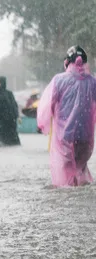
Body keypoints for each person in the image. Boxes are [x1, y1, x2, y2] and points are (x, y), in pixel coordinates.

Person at [37, 45, 96, 187]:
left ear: (67, 62)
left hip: (66, 136)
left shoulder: (59, 80)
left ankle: (69, 200)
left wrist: (42, 125)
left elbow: (46, 105)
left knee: (66, 174)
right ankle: (81, 197)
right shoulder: (93, 82)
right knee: (80, 168)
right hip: (86, 137)